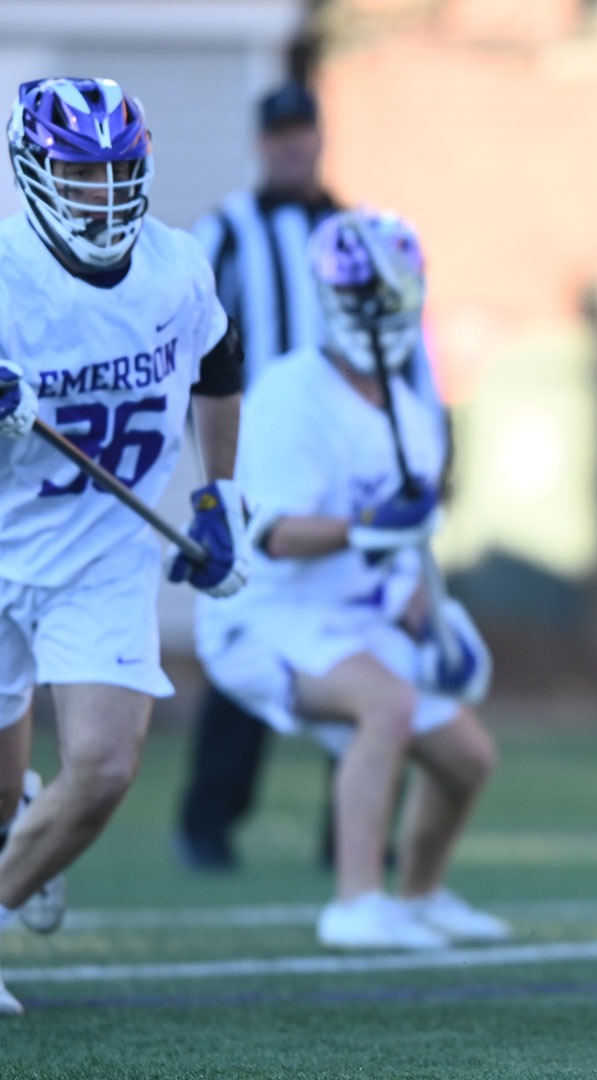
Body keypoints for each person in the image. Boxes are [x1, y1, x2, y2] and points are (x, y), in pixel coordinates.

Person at [0, 77, 250, 1013]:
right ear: (34, 172)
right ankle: (20, 819)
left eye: (116, 172)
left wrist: (219, 498)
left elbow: (219, 363)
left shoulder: (175, 268)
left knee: (102, 767)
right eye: (76, 171)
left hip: (102, 556)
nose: (100, 194)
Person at [194, 208, 506, 951]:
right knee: (387, 704)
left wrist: (429, 613)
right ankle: (355, 901)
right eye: (363, 299)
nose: (376, 315)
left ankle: (421, 895)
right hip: (266, 618)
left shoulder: (408, 401)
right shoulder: (292, 393)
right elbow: (271, 535)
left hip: (355, 617)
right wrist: (364, 528)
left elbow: (410, 539)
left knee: (468, 758)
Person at [178, 81, 441, 872]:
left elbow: (408, 341)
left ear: (320, 137)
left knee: (370, 639)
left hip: (356, 448)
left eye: (304, 131)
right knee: (258, 630)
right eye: (279, 134)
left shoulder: (359, 230)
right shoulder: (225, 232)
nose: (293, 146)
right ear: (261, 144)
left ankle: (353, 838)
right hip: (269, 448)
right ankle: (210, 822)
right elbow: (201, 351)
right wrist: (213, 474)